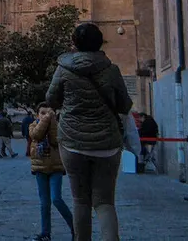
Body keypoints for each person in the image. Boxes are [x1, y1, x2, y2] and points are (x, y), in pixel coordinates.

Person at [46, 22, 133, 241]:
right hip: (107, 143)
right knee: (104, 202)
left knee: (80, 200)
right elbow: (125, 105)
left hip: (73, 141)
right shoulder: (111, 70)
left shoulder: (64, 69)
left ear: (74, 43)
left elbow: (51, 99)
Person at [29, 102, 74, 241]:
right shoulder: (33, 125)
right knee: (44, 203)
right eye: (42, 113)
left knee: (56, 199)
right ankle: (45, 233)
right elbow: (36, 135)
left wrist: (52, 121)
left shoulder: (57, 126)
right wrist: (47, 119)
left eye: (48, 113)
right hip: (40, 168)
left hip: (55, 168)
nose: (45, 115)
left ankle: (75, 228)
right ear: (37, 114)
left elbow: (56, 140)